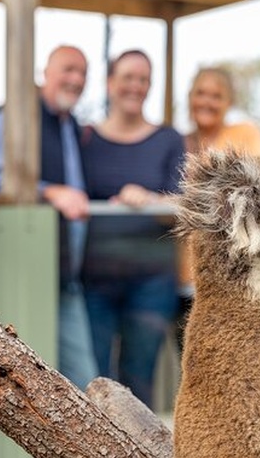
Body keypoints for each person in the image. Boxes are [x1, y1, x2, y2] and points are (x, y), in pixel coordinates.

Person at [0, 45, 98, 390]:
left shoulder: (72, 125)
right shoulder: (17, 114)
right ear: (45, 72)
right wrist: (50, 192)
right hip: (25, 272)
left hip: (67, 277)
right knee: (28, 386)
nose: (75, 79)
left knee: (86, 382)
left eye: (82, 73)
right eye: (67, 70)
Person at [80, 49, 185, 409]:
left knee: (139, 377)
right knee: (93, 377)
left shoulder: (168, 139)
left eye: (143, 79)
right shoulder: (86, 139)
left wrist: (149, 199)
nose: (135, 86)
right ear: (110, 83)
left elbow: (184, 203)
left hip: (151, 281)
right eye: (127, 77)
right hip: (94, 279)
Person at [176, 66, 260, 351]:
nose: (207, 101)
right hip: (182, 276)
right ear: (190, 97)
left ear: (229, 102)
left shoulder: (244, 135)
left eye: (216, 96)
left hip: (232, 277)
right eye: (201, 93)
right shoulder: (177, 141)